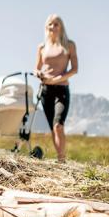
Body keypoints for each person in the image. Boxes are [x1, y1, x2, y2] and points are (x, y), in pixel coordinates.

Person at [34, 14, 78, 162]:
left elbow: (74, 69)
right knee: (53, 127)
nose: (53, 27)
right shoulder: (42, 47)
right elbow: (36, 68)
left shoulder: (69, 45)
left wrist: (57, 79)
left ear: (61, 27)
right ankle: (60, 160)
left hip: (61, 89)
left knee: (59, 124)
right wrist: (39, 74)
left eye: (56, 24)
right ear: (47, 27)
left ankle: (61, 158)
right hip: (46, 90)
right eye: (50, 24)